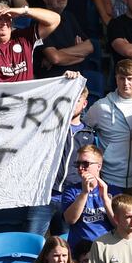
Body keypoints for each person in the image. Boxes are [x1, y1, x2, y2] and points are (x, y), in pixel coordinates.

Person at [26, 87, 98, 236]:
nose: (71, 105)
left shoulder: (90, 134)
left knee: (65, 248)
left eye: (76, 101)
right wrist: (67, 81)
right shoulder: (51, 126)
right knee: (32, 241)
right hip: (43, 195)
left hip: (71, 197)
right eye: (68, 100)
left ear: (84, 104)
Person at [85, 59, 132, 197]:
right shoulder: (101, 107)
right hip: (111, 179)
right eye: (122, 78)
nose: (126, 83)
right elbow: (83, 130)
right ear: (116, 79)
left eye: (130, 78)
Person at [36, 0, 93, 78]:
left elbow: (89, 47)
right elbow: (55, 58)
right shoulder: (40, 21)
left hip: (76, 78)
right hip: (53, 81)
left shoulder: (69, 16)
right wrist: (80, 56)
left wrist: (59, 53)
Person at [62, 145, 113, 252]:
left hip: (106, 250)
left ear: (99, 166)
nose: (80, 168)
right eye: (78, 164)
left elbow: (118, 223)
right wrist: (84, 192)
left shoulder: (112, 190)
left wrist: (105, 197)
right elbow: (70, 219)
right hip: (79, 252)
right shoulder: (71, 190)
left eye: (85, 164)